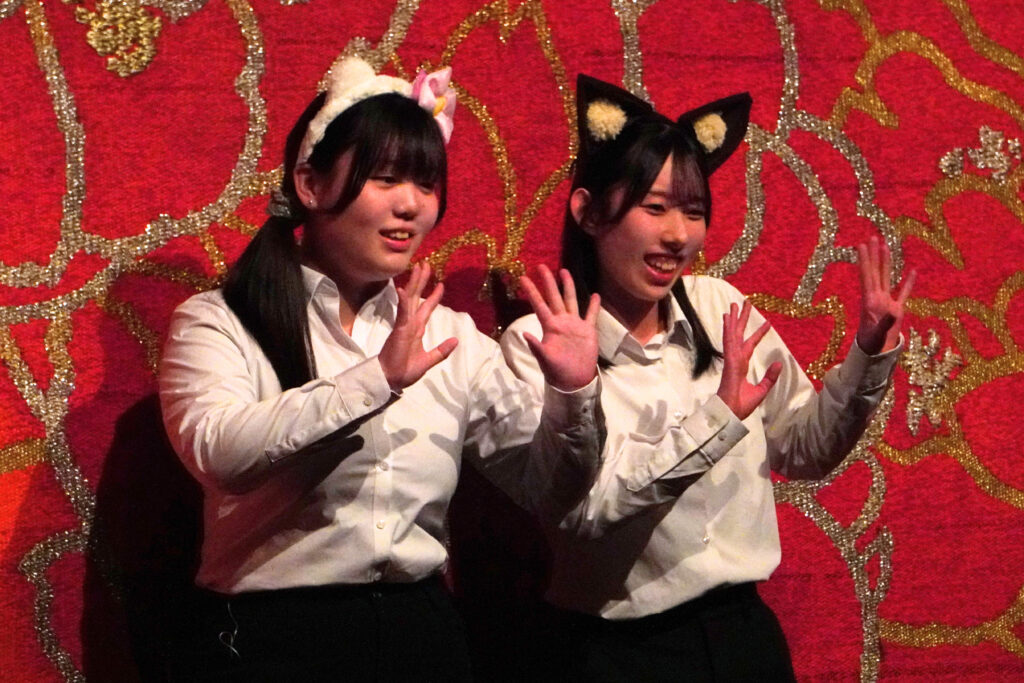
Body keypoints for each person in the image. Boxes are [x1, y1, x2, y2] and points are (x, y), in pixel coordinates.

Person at [158, 56, 601, 682]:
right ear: (309, 184)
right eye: (386, 178)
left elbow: (550, 491)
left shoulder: (449, 334)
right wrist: (376, 380)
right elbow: (218, 453)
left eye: (427, 185)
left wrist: (574, 393)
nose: (411, 206)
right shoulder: (220, 320)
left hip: (420, 630)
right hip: (274, 639)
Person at [500, 74, 915, 681]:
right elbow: (584, 511)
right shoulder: (534, 345)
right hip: (621, 654)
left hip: (745, 638)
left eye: (693, 212)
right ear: (587, 211)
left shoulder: (721, 306)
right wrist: (716, 420)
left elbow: (805, 448)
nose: (678, 235)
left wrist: (869, 353)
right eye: (655, 208)